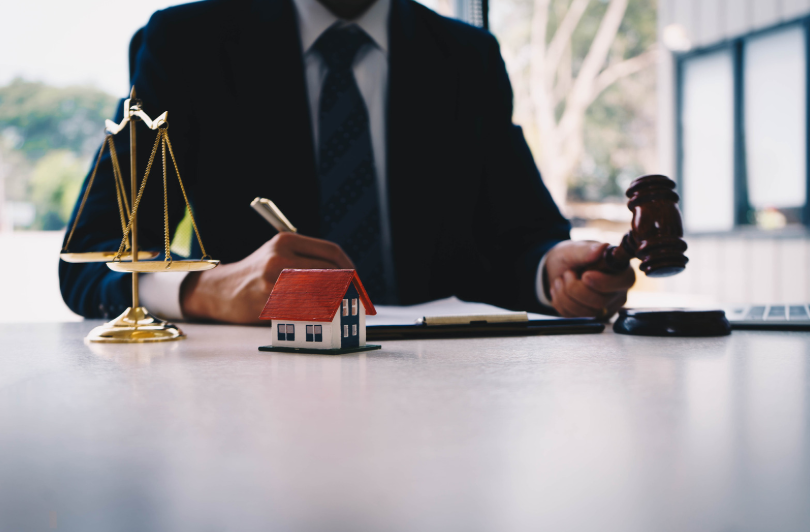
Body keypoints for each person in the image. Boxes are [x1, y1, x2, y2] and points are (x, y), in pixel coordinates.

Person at [59, 0, 635, 324]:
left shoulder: (465, 58)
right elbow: (91, 257)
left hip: (446, 396)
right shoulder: (188, 46)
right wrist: (204, 290)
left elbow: (523, 242)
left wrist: (557, 271)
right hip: (249, 400)